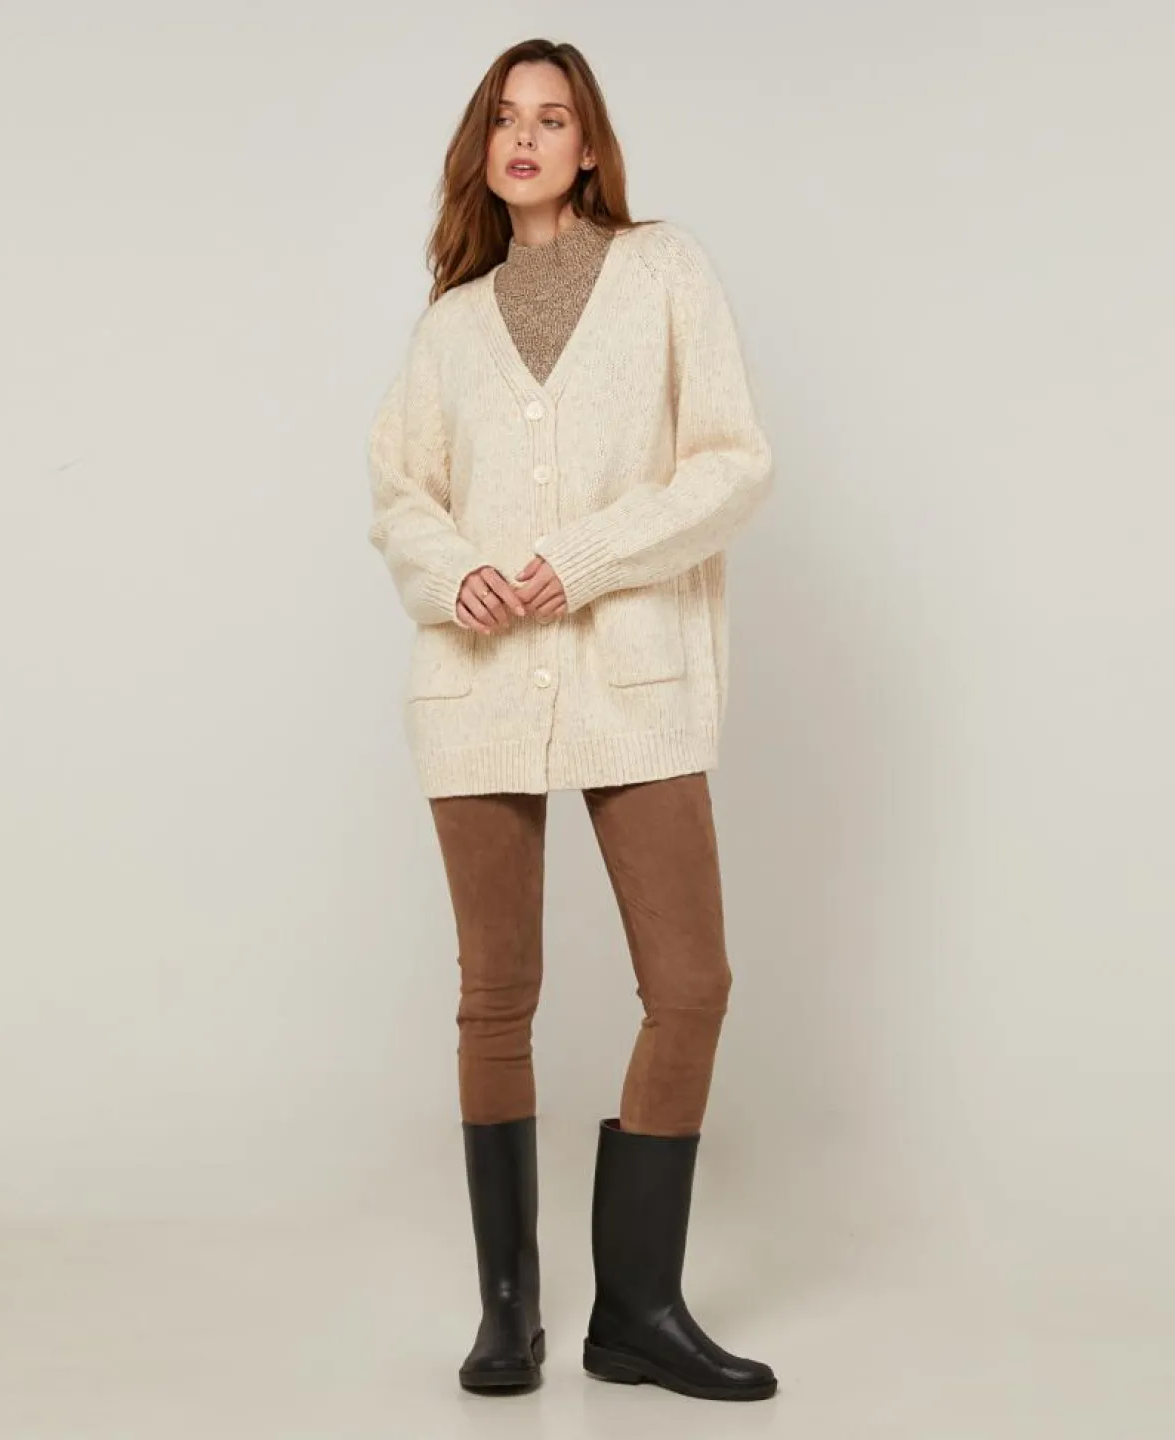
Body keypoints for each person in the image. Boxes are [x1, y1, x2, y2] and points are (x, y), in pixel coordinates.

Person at [366, 37, 778, 1403]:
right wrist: (454, 573)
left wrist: (583, 559)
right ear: (483, 147)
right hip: (476, 683)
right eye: (506, 118)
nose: (528, 137)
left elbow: (732, 463)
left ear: (590, 146)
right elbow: (401, 496)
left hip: (634, 678)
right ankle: (508, 1317)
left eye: (554, 118)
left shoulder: (664, 271)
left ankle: (637, 1312)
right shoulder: (451, 325)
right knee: (496, 998)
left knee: (691, 985)